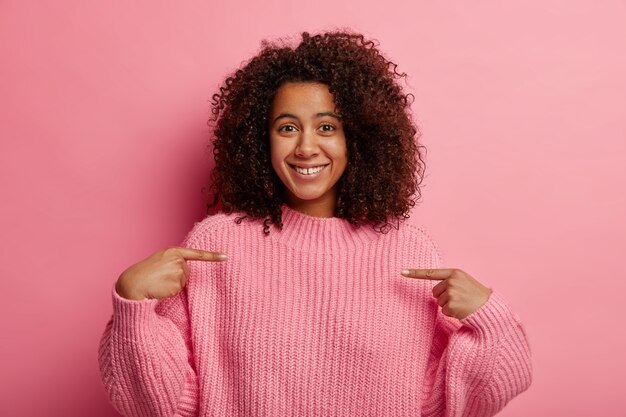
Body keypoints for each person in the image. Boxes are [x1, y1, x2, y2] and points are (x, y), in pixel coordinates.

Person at [98, 31, 532, 417]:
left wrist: (488, 316)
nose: (307, 147)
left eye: (327, 127)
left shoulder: (407, 251)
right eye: (287, 127)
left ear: (357, 138)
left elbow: (447, 401)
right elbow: (159, 404)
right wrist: (132, 304)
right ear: (259, 139)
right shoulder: (215, 246)